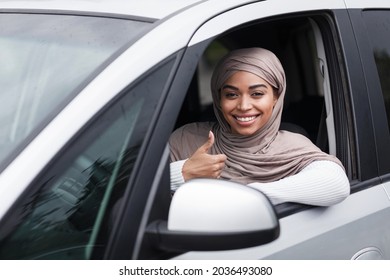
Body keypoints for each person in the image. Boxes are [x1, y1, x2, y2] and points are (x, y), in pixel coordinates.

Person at [169, 47, 350, 206]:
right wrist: (183, 173)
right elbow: (141, 189)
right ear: (218, 99)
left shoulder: (293, 145)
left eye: (257, 94)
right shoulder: (187, 139)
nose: (244, 106)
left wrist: (249, 195)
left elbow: (335, 184)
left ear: (276, 97)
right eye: (231, 95)